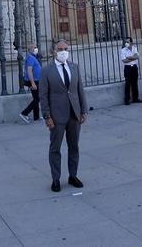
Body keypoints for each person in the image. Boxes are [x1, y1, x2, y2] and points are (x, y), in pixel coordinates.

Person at [40, 39, 86, 192]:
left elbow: (80, 90)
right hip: (56, 116)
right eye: (60, 49)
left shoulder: (74, 67)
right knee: (55, 148)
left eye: (66, 48)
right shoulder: (47, 70)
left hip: (74, 113)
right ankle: (56, 179)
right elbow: (43, 95)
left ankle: (73, 175)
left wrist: (84, 110)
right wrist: (47, 116)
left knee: (74, 147)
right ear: (54, 51)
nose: (63, 51)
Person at [19, 44, 42, 123]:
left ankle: (36, 116)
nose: (36, 49)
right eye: (34, 47)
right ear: (30, 49)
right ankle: (24, 113)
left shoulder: (33, 57)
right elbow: (29, 71)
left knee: (36, 98)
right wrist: (33, 83)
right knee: (37, 98)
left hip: (36, 80)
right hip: (34, 81)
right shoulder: (30, 58)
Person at [119, 37, 142, 104]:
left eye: (128, 42)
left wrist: (129, 58)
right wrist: (133, 58)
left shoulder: (134, 48)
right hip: (127, 68)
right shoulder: (123, 50)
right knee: (127, 83)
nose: (126, 43)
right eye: (126, 42)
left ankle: (135, 98)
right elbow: (124, 60)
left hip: (134, 67)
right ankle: (127, 99)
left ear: (131, 43)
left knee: (135, 83)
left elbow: (137, 56)